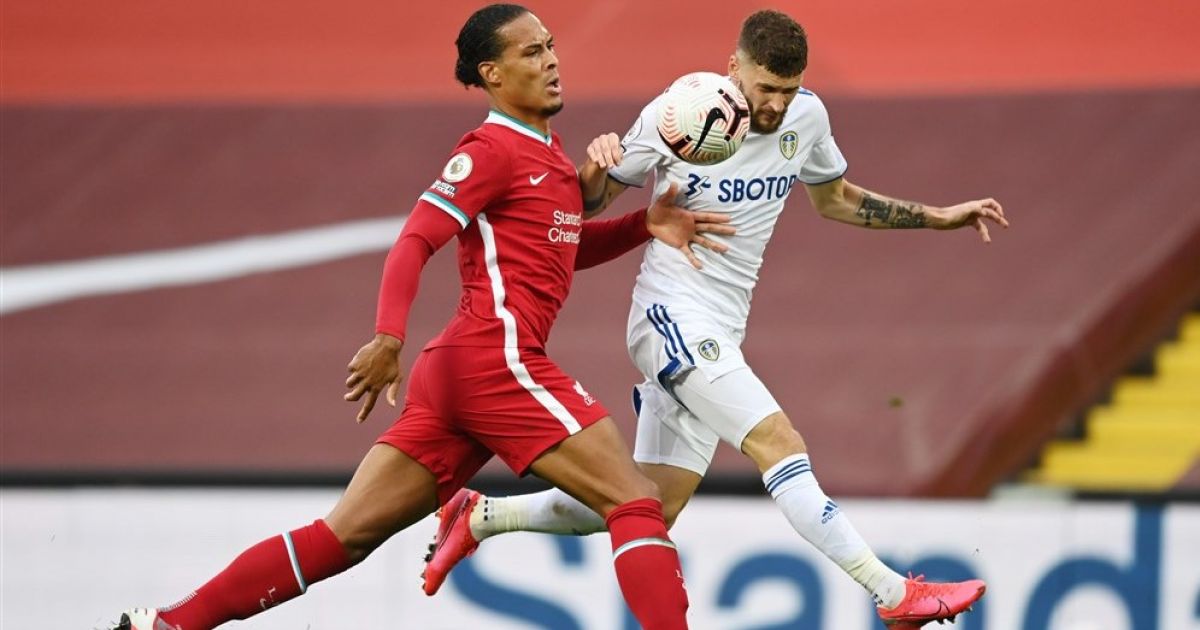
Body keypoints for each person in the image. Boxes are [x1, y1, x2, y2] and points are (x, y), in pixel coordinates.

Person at [110, 4, 739, 629]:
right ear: (492, 74)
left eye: (550, 46)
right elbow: (414, 239)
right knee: (635, 500)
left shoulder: (547, 155)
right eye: (531, 52)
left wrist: (643, 225)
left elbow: (557, 250)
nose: (551, 61)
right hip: (499, 360)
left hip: (460, 372)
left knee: (344, 537)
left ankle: (170, 624)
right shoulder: (491, 149)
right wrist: (388, 335)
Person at [421, 9, 1008, 628]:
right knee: (779, 444)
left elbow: (836, 200)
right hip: (670, 315)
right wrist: (600, 160)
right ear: (735, 68)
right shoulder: (678, 113)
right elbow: (585, 205)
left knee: (648, 502)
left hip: (723, 327)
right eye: (766, 89)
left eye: (788, 89)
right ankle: (893, 593)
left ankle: (481, 515)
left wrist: (938, 216)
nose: (777, 104)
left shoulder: (806, 118)